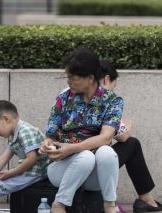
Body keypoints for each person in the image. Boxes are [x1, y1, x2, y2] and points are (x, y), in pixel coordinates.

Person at [40, 48, 124, 213]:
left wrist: (73, 148)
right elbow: (50, 135)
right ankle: (58, 205)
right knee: (85, 156)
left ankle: (109, 207)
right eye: (67, 77)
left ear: (90, 78)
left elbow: (106, 137)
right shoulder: (63, 99)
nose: (68, 82)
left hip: (94, 175)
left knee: (107, 152)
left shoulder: (112, 101)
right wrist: (47, 144)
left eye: (73, 78)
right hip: (62, 168)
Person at [99, 60, 162, 212]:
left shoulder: (69, 94)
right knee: (132, 143)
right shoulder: (108, 99)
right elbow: (123, 136)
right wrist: (127, 126)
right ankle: (145, 198)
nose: (112, 90)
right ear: (106, 79)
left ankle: (145, 198)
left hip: (70, 159)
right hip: (96, 162)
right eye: (113, 85)